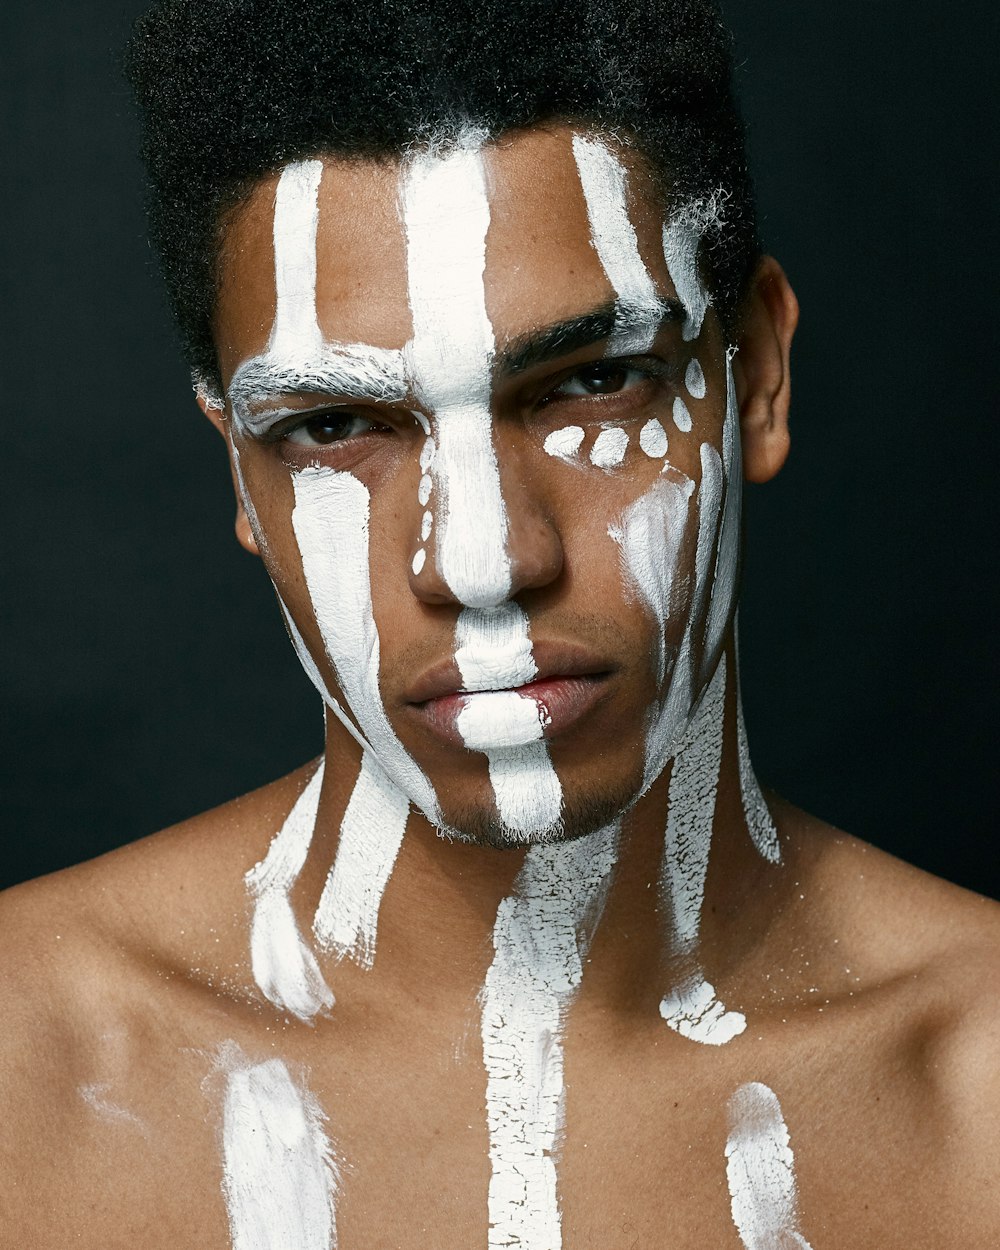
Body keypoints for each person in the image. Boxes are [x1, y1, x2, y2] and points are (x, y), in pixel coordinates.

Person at [1, 0, 997, 1244]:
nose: (481, 558)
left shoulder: (979, 1099)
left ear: (754, 370)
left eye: (587, 381)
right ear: (237, 473)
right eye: (331, 425)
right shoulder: (22, 1073)